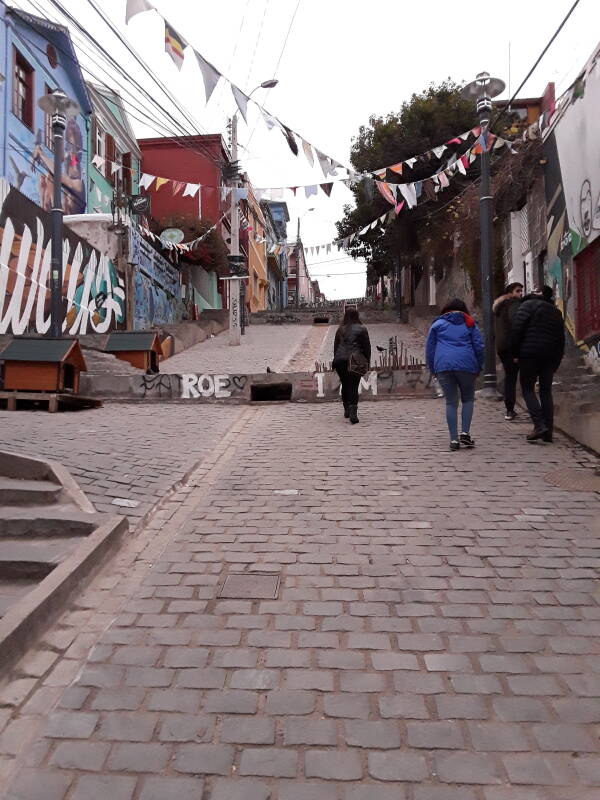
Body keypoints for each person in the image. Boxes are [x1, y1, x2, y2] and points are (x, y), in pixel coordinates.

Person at [426, 298, 484, 451]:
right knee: (468, 399)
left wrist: (433, 369)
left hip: (443, 366)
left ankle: (453, 440)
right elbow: (479, 346)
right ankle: (465, 432)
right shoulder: (470, 323)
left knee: (451, 402)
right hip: (466, 365)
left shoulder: (437, 325)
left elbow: (430, 349)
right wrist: (479, 365)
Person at [511, 285, 565, 443]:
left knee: (527, 388)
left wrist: (514, 353)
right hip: (549, 356)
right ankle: (548, 432)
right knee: (546, 391)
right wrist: (556, 360)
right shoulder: (555, 311)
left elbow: (517, 330)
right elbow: (561, 339)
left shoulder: (525, 307)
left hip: (529, 354)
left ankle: (539, 425)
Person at [333, 307, 371, 424]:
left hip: (340, 361)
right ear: (357, 316)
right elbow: (367, 347)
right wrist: (367, 361)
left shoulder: (340, 329)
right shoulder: (362, 329)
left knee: (345, 384)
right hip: (354, 361)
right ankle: (353, 413)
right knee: (353, 386)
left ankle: (346, 410)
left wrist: (335, 360)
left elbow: (336, 347)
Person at [493, 282, 523, 420]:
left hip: (502, 347)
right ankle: (510, 409)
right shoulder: (513, 305)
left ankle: (510, 408)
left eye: (521, 291)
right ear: (510, 293)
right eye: (518, 291)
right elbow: (516, 326)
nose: (520, 294)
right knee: (512, 377)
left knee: (510, 377)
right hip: (512, 346)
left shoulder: (500, 307)